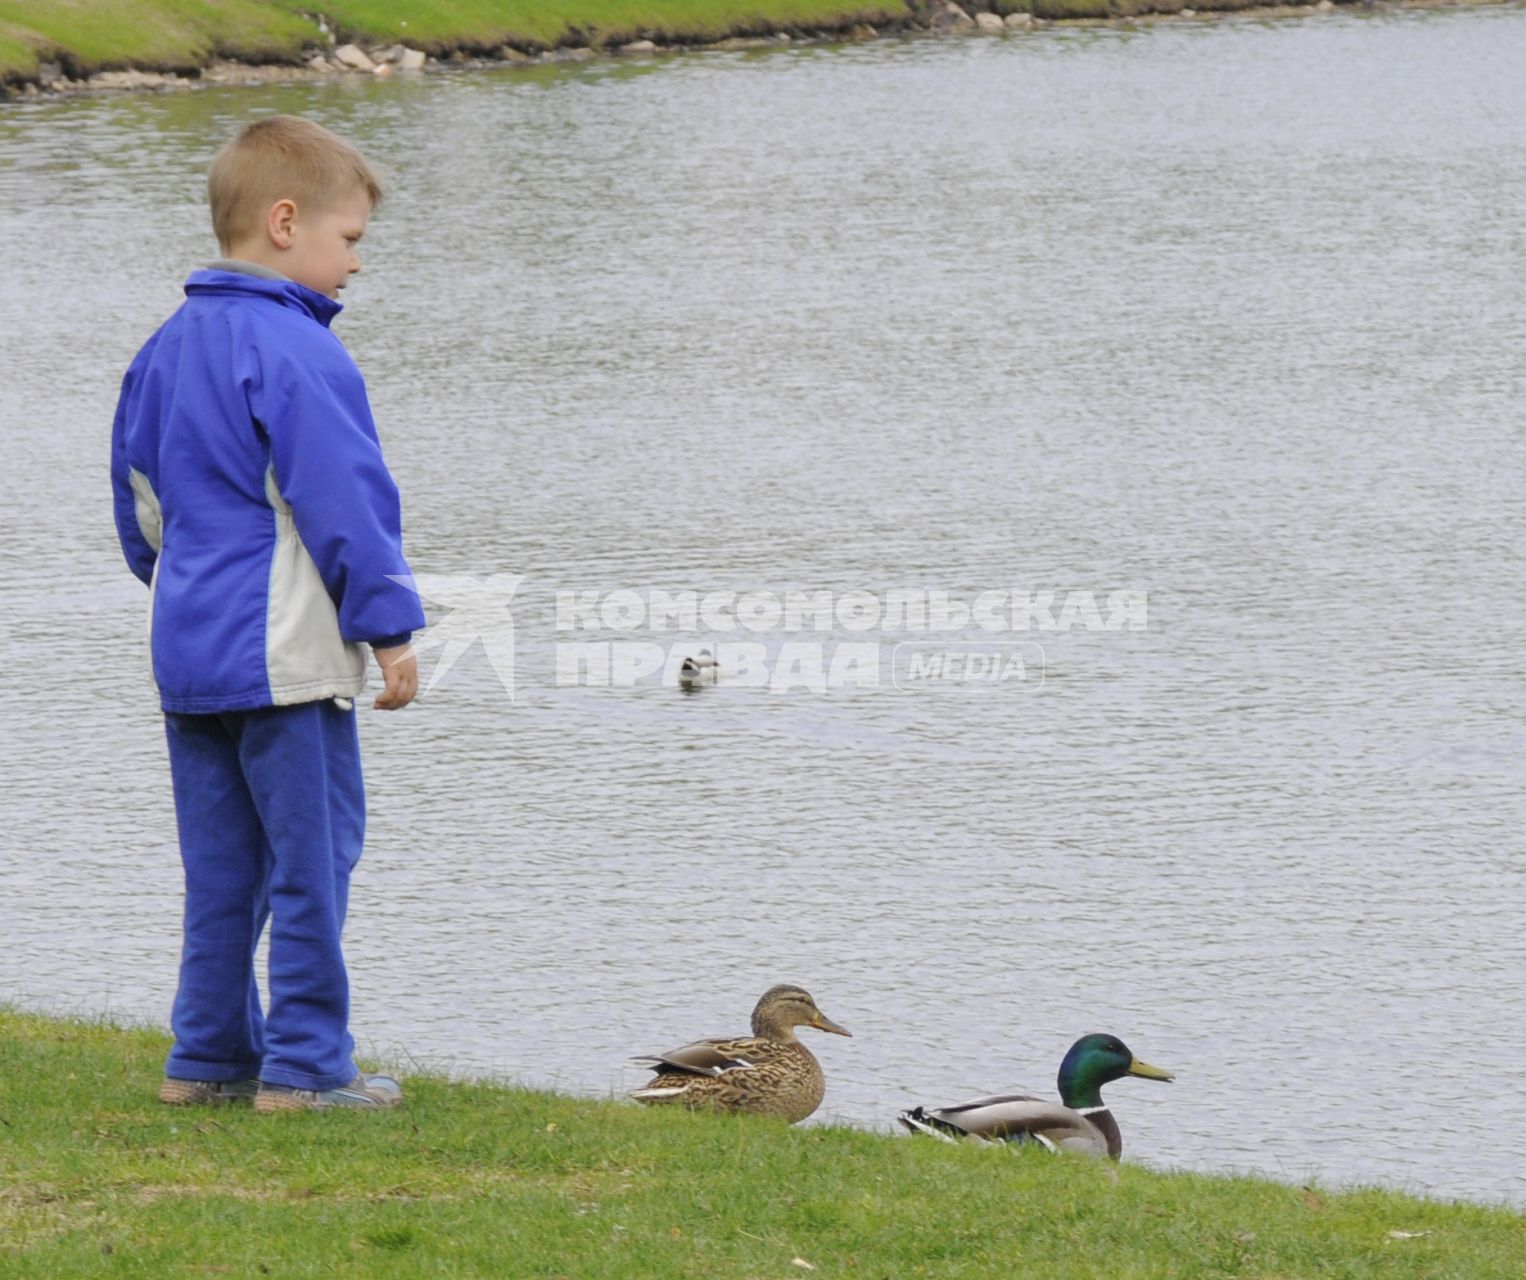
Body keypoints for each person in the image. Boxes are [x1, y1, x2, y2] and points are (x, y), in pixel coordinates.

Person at [110, 115, 425, 1112]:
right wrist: (389, 627)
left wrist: (179, 592)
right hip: (284, 657)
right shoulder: (296, 348)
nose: (356, 263)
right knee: (313, 860)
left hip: (187, 652)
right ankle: (306, 1067)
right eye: (351, 239)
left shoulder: (163, 346)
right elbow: (345, 500)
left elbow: (138, 502)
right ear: (285, 223)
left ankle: (202, 1059)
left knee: (221, 870)